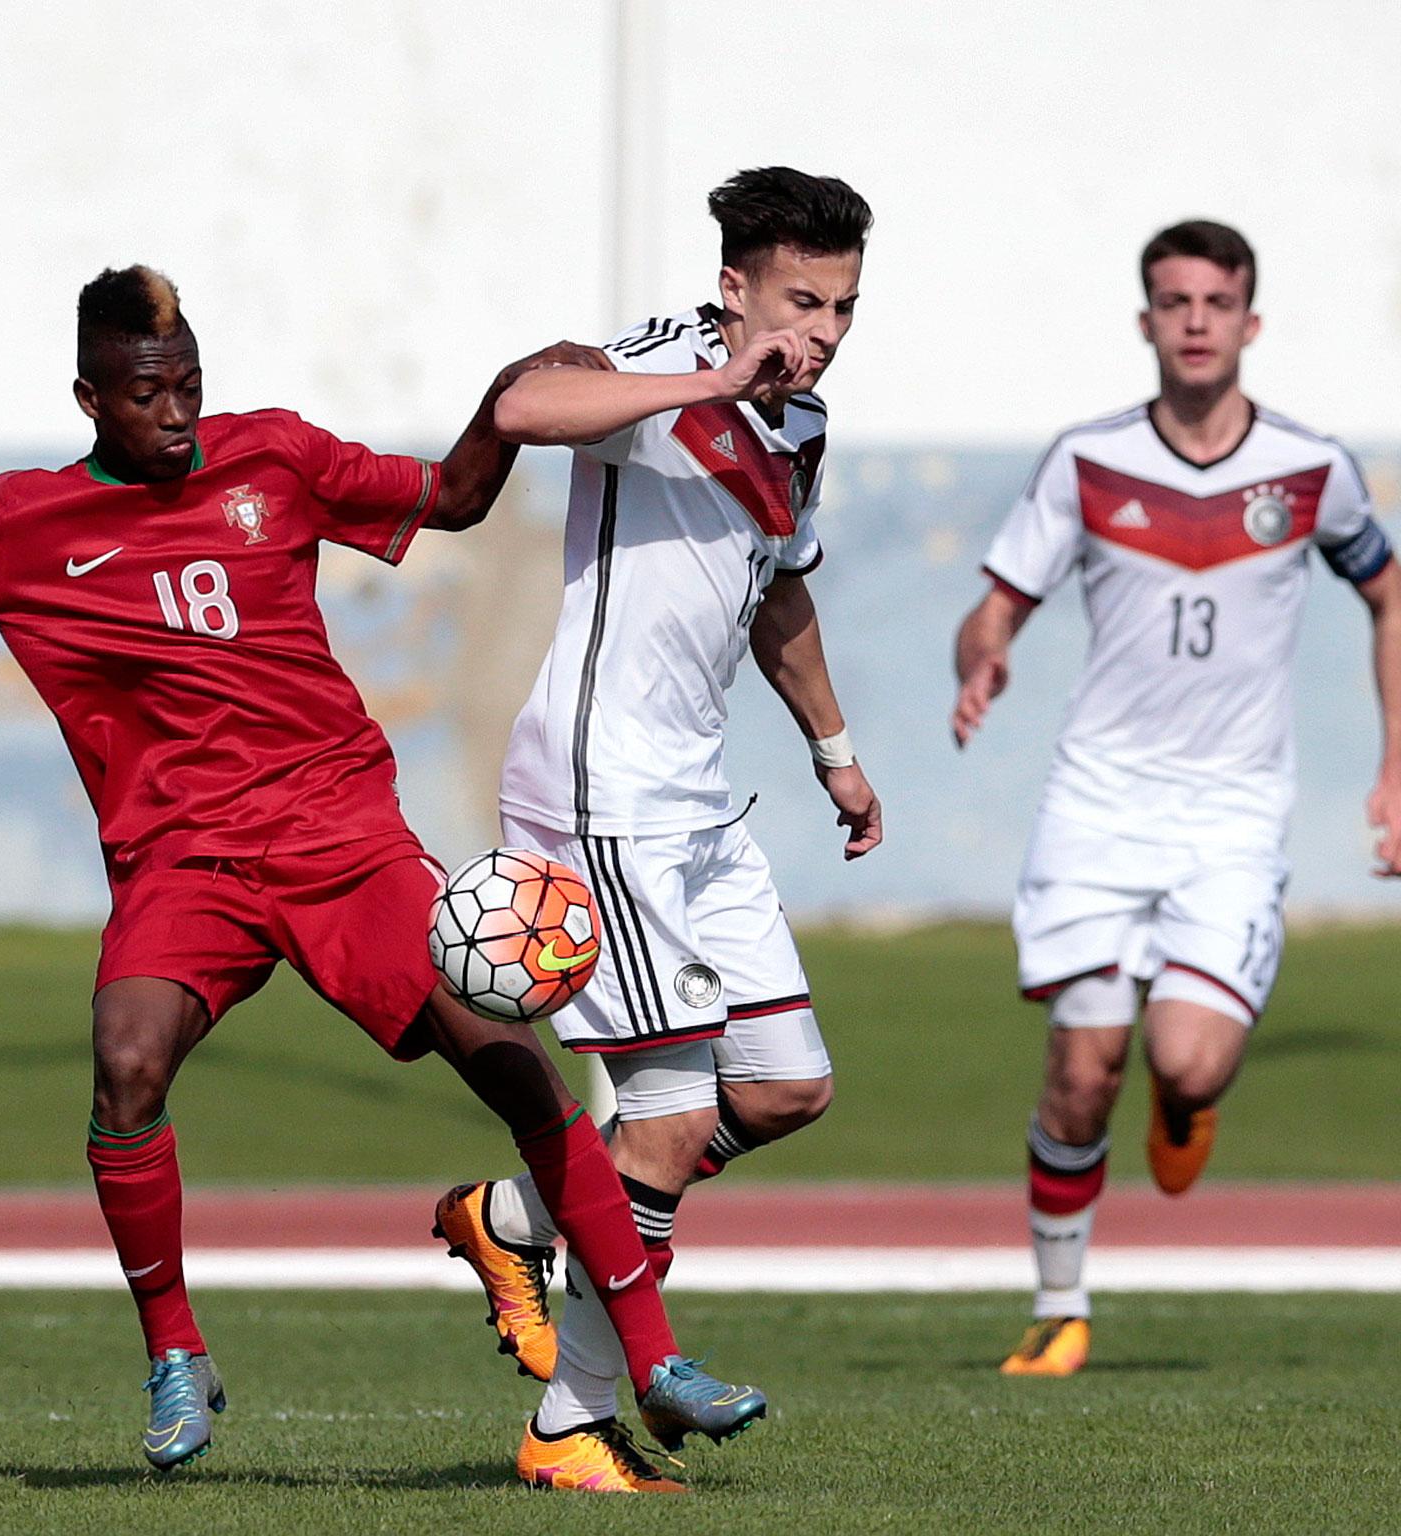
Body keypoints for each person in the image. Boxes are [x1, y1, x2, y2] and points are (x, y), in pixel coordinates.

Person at [0, 266, 768, 1476]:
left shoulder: (275, 457)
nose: (178, 414)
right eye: (149, 395)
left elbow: (450, 498)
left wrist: (504, 400)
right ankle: (175, 1355)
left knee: (508, 1057)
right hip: (182, 861)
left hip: (338, 835)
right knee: (125, 1061)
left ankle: (652, 1360)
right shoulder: (23, 524)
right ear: (90, 398)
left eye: (190, 386)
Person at [432, 167, 883, 1493]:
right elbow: (523, 404)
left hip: (700, 803)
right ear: (736, 285)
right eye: (801, 299)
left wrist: (837, 753)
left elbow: (778, 598)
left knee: (787, 1085)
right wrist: (709, 376)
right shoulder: (669, 367)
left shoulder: (800, 424)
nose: (822, 329)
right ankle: (573, 1424)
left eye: (845, 306)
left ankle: (515, 1213)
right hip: (601, 793)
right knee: (672, 1120)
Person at [951, 220, 1401, 1376]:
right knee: (1080, 1070)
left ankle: (1187, 1098)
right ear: (1144, 320)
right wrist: (982, 652)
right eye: (1172, 300)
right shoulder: (1086, 462)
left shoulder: (1309, 468)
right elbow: (999, 600)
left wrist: (1394, 767)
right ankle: (1059, 1304)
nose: (1193, 319)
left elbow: (1388, 596)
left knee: (1185, 1060)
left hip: (1231, 817)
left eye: (1214, 301)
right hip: (1098, 806)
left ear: (1248, 324)